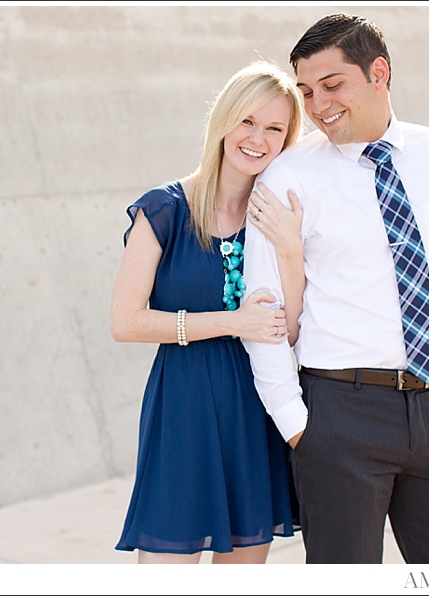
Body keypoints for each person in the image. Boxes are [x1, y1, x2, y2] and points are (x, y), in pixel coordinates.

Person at [241, 14, 429, 564]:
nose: (318, 106)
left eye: (332, 85)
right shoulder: (287, 177)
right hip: (340, 418)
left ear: (378, 73)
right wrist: (296, 424)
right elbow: (263, 311)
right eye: (306, 92)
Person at [110, 60, 306, 564]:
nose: (257, 139)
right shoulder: (165, 209)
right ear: (223, 120)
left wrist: (290, 248)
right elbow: (125, 322)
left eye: (274, 128)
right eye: (247, 121)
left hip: (255, 406)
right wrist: (232, 322)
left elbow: (291, 331)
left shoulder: (278, 216)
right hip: (184, 406)